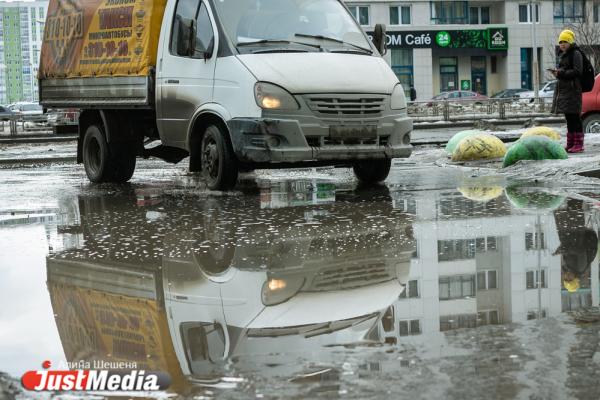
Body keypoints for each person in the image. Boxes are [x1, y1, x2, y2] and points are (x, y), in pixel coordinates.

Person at [550, 29, 585, 153]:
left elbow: (577, 71)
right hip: (565, 90)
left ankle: (579, 143)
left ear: (570, 42)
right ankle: (570, 143)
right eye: (560, 42)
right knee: (568, 117)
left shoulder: (576, 53)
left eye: (565, 41)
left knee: (575, 116)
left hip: (573, 90)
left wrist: (561, 72)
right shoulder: (562, 54)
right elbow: (564, 72)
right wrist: (557, 73)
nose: (562, 44)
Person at [553, 198, 598, 292]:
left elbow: (567, 250)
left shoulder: (567, 267)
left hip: (568, 232)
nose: (567, 277)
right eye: (570, 279)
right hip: (575, 232)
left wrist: (562, 249)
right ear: (576, 279)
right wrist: (564, 249)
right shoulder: (580, 268)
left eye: (566, 279)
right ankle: (574, 191)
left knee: (570, 204)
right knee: (575, 205)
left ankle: (571, 192)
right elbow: (580, 251)